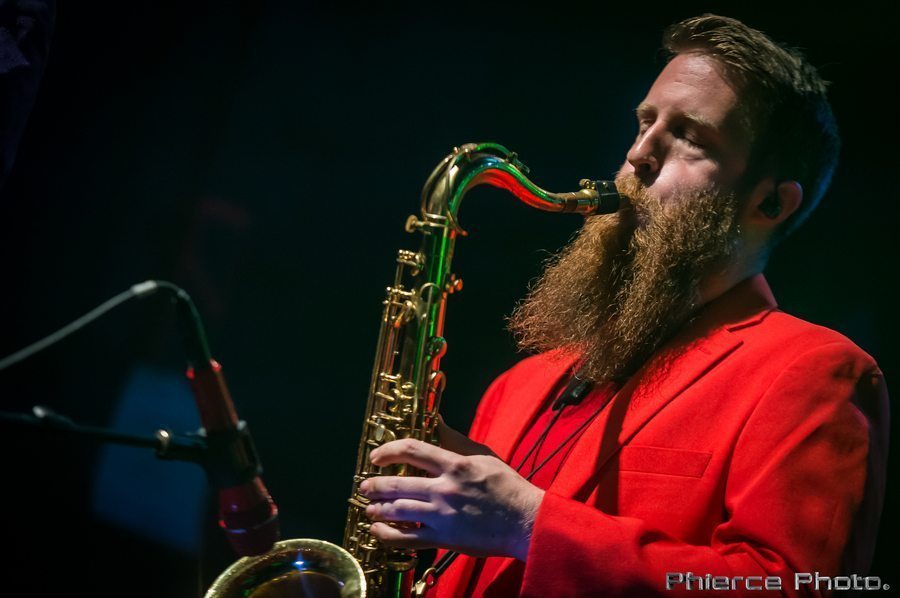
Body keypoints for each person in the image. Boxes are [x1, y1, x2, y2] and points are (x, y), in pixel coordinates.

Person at [358, 14, 889, 596]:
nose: (639, 154)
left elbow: (790, 586)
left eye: (690, 137)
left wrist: (530, 524)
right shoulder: (517, 386)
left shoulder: (813, 372)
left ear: (771, 203)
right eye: (644, 122)